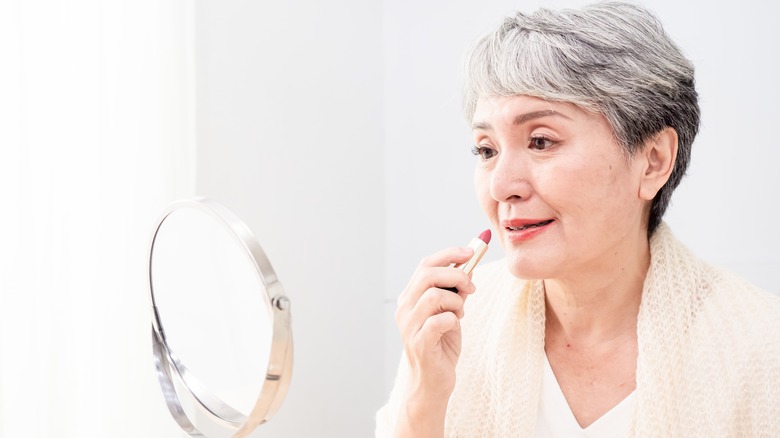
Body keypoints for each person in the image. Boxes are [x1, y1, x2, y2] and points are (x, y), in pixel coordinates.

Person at [375, 2, 780, 436]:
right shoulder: (456, 330)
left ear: (653, 161)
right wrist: (424, 395)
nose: (501, 186)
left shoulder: (760, 349)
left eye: (541, 141)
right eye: (486, 150)